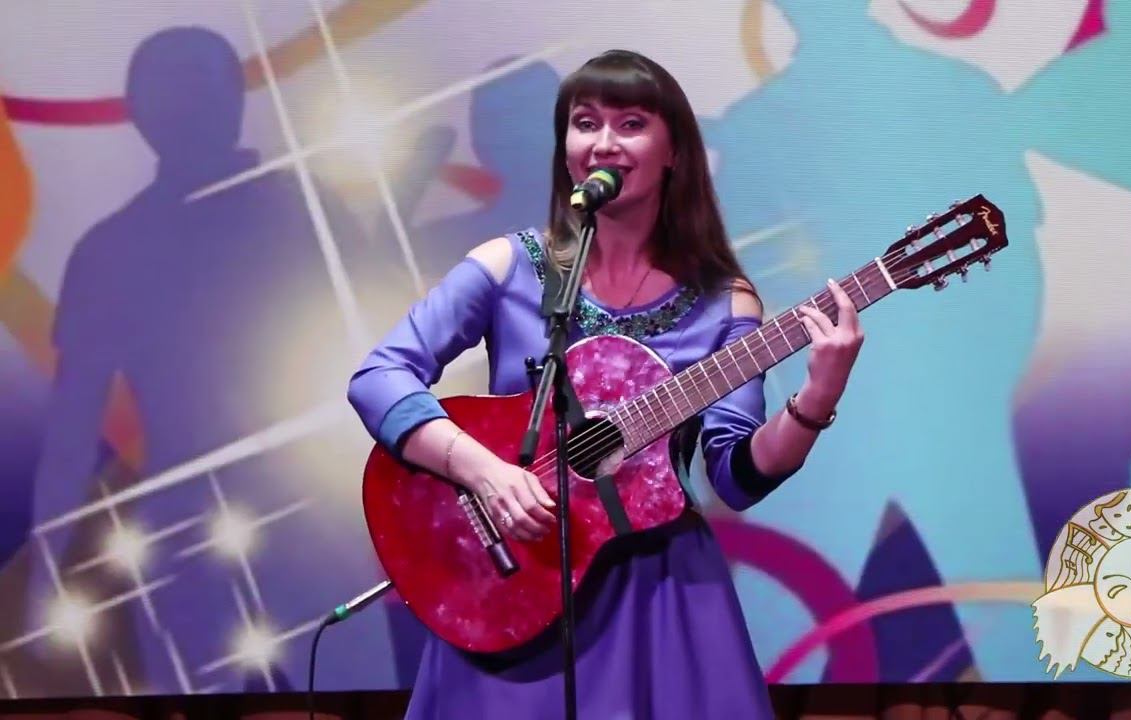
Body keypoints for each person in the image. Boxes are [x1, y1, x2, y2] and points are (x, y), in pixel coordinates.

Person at [347, 48, 865, 719]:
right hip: (516, 574)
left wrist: (817, 398)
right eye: (585, 123)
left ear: (674, 152)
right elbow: (379, 377)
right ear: (565, 151)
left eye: (631, 124)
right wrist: (484, 471)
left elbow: (735, 476)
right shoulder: (509, 267)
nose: (603, 143)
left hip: (657, 597)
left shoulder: (723, 302)